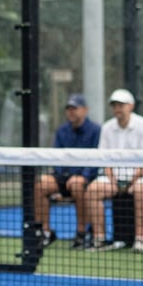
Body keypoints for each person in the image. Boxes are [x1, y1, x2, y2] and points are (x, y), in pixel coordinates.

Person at [84, 89, 143, 253]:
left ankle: (139, 240)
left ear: (131, 106)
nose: (118, 108)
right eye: (115, 105)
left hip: (141, 177)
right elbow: (105, 159)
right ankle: (99, 239)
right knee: (92, 190)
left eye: (121, 105)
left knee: (140, 190)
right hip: (114, 179)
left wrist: (130, 182)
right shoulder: (107, 127)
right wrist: (113, 180)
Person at [34, 93, 100, 249]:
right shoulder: (61, 130)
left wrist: (83, 177)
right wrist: (62, 176)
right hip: (62, 178)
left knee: (77, 184)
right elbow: (56, 158)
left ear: (85, 110)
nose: (71, 112)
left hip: (84, 179)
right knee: (41, 184)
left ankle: (82, 233)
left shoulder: (96, 130)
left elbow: (96, 159)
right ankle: (45, 232)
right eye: (68, 109)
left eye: (74, 108)